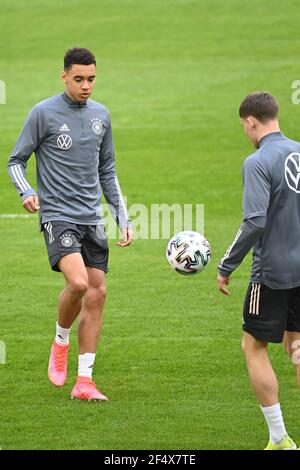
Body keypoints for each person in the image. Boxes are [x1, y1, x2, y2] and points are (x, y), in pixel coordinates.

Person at [8, 47, 133, 401]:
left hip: (92, 217)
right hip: (58, 215)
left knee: (98, 293)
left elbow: (107, 169)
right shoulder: (43, 113)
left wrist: (122, 216)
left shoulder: (101, 116)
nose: (86, 86)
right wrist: (26, 191)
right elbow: (16, 160)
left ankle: (85, 381)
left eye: (91, 78)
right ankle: (60, 342)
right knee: (78, 283)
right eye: (79, 79)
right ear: (63, 76)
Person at [217, 91, 300, 450]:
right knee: (296, 345)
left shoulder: (257, 162)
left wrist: (226, 265)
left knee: (254, 346)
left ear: (251, 122)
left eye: (243, 126)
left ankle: (279, 437)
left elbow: (254, 222)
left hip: (272, 273)